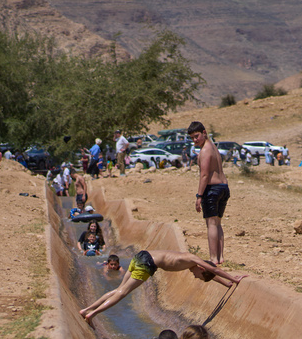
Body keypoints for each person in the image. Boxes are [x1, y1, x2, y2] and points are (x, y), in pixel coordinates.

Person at [80, 249, 244, 324]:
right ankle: (92, 314)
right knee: (122, 293)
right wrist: (234, 279)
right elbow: (213, 269)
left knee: (117, 290)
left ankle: (85, 310)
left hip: (141, 255)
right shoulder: (194, 260)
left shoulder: (189, 262)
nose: (195, 276)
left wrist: (227, 284)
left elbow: (212, 274)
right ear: (202, 269)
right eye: (199, 276)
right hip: (148, 264)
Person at [187, 121, 231, 265]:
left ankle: (213, 259)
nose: (195, 140)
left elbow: (204, 175)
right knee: (217, 223)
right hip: (223, 187)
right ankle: (221, 257)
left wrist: (199, 196)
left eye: (197, 136)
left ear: (204, 132)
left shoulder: (205, 150)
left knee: (211, 224)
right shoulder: (213, 147)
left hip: (213, 190)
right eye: (192, 137)